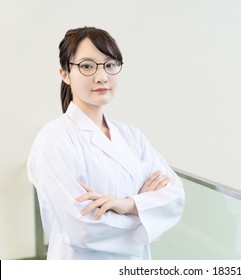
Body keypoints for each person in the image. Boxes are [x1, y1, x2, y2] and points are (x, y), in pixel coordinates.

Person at [27, 27, 185, 260]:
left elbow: (175, 196)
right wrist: (144, 213)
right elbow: (83, 230)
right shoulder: (54, 139)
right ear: (65, 74)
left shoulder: (132, 136)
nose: (102, 77)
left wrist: (127, 204)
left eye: (110, 65)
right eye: (87, 66)